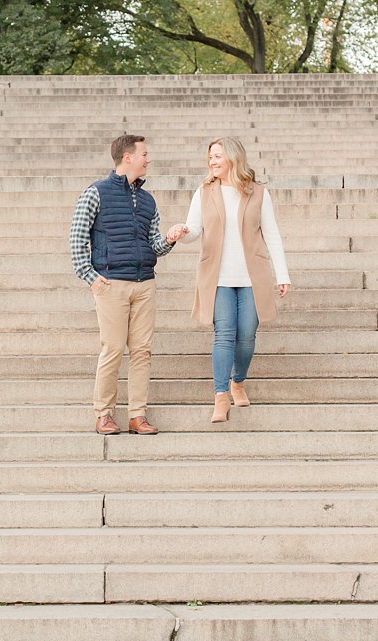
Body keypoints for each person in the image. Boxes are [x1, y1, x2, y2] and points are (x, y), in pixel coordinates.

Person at [168, 137, 290, 424]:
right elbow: (195, 230)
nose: (212, 161)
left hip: (252, 277)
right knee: (224, 335)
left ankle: (238, 382)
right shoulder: (204, 192)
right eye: (210, 156)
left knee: (246, 336)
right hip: (218, 277)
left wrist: (282, 274)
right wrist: (183, 233)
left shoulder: (258, 193)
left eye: (218, 156)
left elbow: (271, 234)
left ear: (233, 158)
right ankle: (221, 395)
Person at [70, 134, 186, 436]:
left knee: (142, 351)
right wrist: (91, 278)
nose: (148, 159)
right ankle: (104, 414)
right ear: (128, 157)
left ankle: (137, 415)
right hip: (111, 283)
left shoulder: (148, 200)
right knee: (112, 349)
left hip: (145, 283)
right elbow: (76, 238)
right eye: (144, 154)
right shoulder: (95, 193)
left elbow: (154, 245)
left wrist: (170, 238)